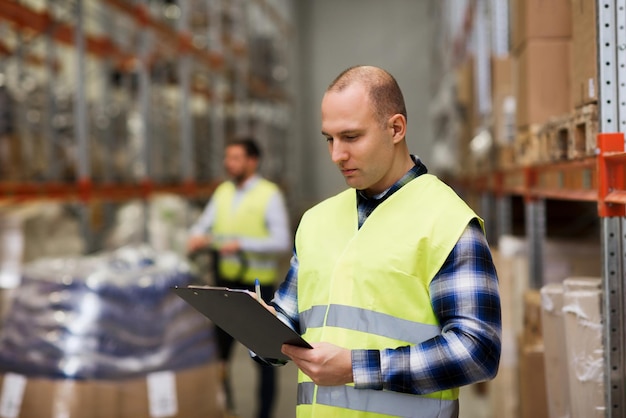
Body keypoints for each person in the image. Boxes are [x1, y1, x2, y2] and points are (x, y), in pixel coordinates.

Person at [262, 66, 502, 418]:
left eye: (351, 137)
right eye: (329, 139)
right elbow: (290, 316)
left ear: (396, 128)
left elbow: (477, 351)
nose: (336, 155)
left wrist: (357, 368)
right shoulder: (316, 220)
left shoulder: (446, 221)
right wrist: (260, 327)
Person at [187, 137, 291, 418]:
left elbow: (282, 241)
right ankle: (226, 409)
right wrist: (196, 237)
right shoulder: (223, 192)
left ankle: (264, 413)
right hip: (225, 286)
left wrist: (242, 243)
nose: (228, 163)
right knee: (219, 355)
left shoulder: (268, 194)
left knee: (264, 358)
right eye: (227, 157)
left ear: (252, 161)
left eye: (235, 157)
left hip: (257, 290)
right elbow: (203, 224)